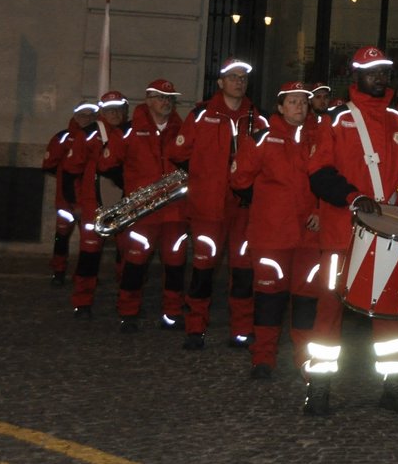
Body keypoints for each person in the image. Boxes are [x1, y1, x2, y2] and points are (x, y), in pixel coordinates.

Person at [305, 46, 398, 415]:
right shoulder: (335, 119)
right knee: (329, 310)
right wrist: (353, 197)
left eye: (384, 71)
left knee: (391, 309)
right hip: (340, 233)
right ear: (357, 76)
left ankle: (393, 385)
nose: (380, 77)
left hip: (384, 231)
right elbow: (318, 173)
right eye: (372, 71)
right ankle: (318, 389)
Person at [170, 58, 267, 350]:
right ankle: (195, 328)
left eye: (243, 78)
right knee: (203, 268)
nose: (239, 82)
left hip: (243, 208)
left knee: (243, 268)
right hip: (208, 207)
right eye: (233, 77)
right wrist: (205, 178)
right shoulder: (201, 114)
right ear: (221, 82)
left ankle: (241, 329)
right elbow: (180, 153)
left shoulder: (257, 118)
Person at [229, 82, 318, 380]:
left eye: (304, 102)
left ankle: (305, 358)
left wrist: (319, 210)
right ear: (280, 107)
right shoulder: (261, 139)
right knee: (269, 299)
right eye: (292, 102)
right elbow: (240, 180)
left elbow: (327, 179)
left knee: (306, 300)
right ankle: (263, 358)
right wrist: (269, 204)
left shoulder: (317, 140)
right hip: (271, 237)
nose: (299, 107)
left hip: (308, 238)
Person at [106, 79, 189, 333]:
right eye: (162, 98)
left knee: (175, 262)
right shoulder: (127, 130)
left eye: (170, 98)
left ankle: (172, 312)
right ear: (149, 100)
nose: (166, 103)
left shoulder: (182, 129)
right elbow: (106, 164)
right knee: (135, 262)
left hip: (175, 210)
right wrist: (133, 190)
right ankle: (128, 312)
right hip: (142, 213)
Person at [69, 92, 128, 317]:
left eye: (118, 109)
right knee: (89, 255)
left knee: (127, 254)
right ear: (101, 112)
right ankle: (82, 301)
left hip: (124, 205)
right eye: (109, 109)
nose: (114, 113)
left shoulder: (130, 132)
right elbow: (71, 172)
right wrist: (75, 202)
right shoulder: (87, 135)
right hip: (92, 205)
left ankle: (125, 300)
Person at [42, 101, 97, 285]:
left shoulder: (98, 137)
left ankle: (84, 275)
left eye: (91, 115)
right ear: (75, 117)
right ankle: (58, 270)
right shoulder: (63, 138)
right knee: (62, 235)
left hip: (89, 198)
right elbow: (49, 165)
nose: (87, 118)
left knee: (88, 240)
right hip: (66, 199)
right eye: (83, 115)